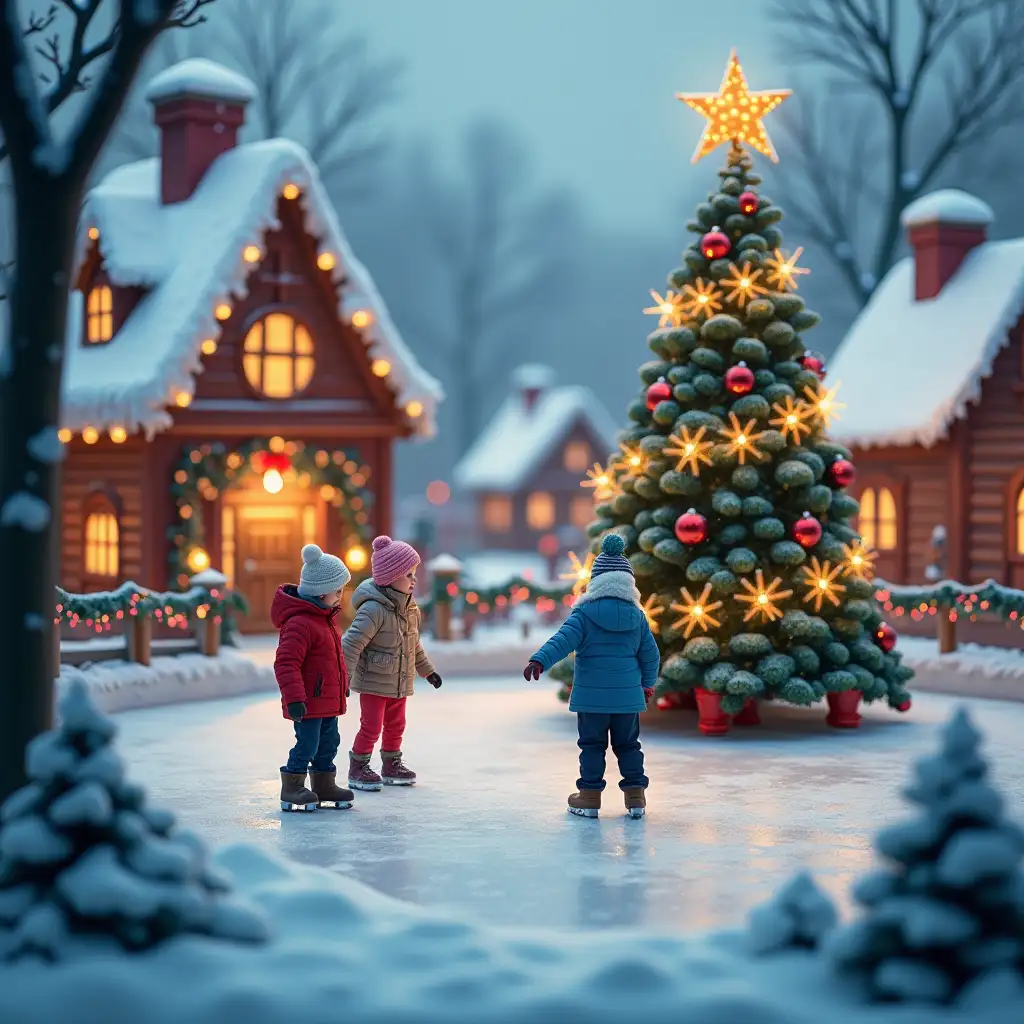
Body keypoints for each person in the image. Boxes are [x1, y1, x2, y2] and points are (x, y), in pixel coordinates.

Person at [524, 534, 660, 819]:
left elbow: (562, 640)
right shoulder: (637, 616)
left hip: (592, 701)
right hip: (626, 700)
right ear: (628, 583)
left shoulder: (584, 614)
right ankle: (635, 796)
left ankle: (589, 797)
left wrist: (539, 660)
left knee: (592, 746)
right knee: (629, 745)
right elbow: (650, 655)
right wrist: (646, 684)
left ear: (594, 582)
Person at [343, 535, 442, 789]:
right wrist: (343, 677)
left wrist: (428, 671)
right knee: (371, 726)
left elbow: (414, 646)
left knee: (397, 725)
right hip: (375, 681)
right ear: (389, 577)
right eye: (408, 574)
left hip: (400, 682)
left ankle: (391, 763)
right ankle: (359, 766)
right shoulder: (373, 610)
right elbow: (351, 644)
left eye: (414, 573)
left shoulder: (411, 610)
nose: (414, 579)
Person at [272, 543, 354, 812]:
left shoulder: (325, 619)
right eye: (337, 591)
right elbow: (286, 663)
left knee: (330, 742)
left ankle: (323, 784)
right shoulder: (300, 623)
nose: (341, 596)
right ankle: (292, 785)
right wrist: (294, 699)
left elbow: (331, 661)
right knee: (307, 743)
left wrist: (342, 686)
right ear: (320, 593)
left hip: (326, 700)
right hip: (307, 702)